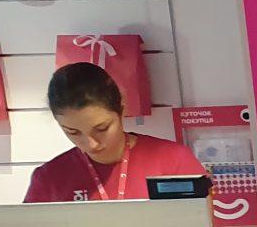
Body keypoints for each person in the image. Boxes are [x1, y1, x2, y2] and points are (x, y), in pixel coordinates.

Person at [24, 62, 205, 203]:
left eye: (101, 128)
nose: (91, 144)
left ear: (122, 109)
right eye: (72, 132)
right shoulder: (49, 179)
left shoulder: (174, 161)